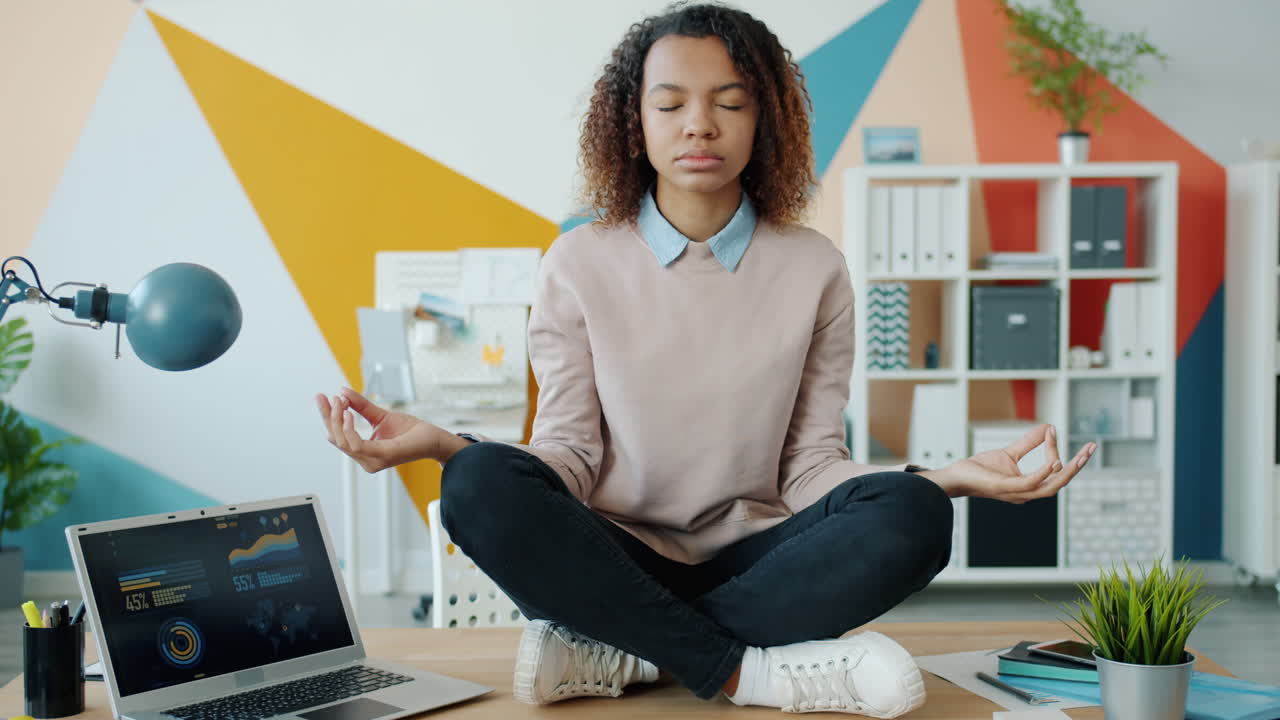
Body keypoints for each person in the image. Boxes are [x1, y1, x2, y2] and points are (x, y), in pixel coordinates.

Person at [316, 2, 1096, 716]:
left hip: (759, 564)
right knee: (478, 481)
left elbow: (813, 466)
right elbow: (570, 454)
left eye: (729, 103)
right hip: (613, 557)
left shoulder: (814, 268)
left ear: (765, 121)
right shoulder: (577, 262)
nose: (700, 126)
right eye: (671, 104)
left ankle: (631, 653)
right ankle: (747, 674)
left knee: (917, 515)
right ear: (635, 120)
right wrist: (447, 446)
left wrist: (947, 477)